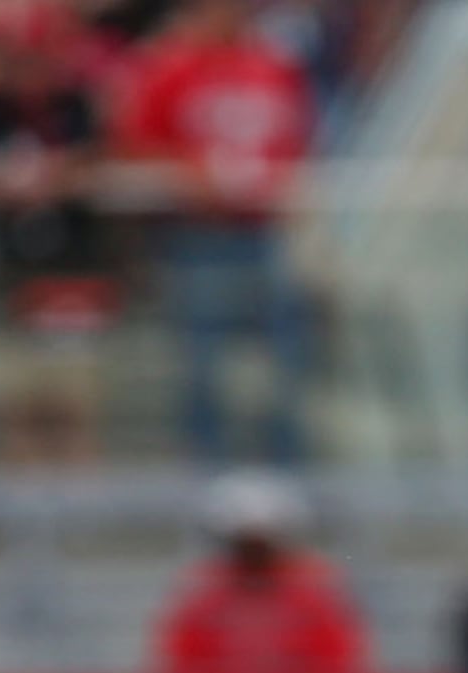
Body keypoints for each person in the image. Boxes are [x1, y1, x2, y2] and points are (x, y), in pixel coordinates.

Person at [119, 0, 316, 461]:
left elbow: (296, 140)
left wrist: (279, 187)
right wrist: (192, 177)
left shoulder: (273, 64)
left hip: (263, 232)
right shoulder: (170, 64)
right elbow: (134, 142)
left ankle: (283, 467)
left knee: (285, 355)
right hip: (197, 235)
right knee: (202, 361)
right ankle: (209, 468)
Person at [154, 472, 364, 673]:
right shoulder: (202, 591)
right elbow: (182, 664)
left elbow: (336, 663)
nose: (253, 557)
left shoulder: (314, 589)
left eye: (261, 546)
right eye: (244, 546)